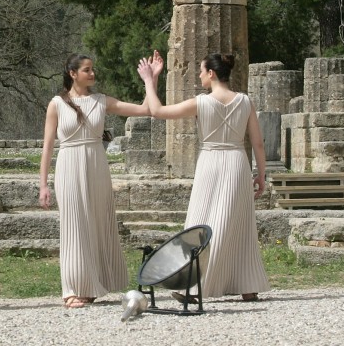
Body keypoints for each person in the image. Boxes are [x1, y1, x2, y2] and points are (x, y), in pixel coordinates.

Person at [137, 50, 270, 302]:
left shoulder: (201, 102)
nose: (199, 75)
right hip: (237, 162)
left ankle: (194, 285)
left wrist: (149, 80)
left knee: (200, 222)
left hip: (210, 162)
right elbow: (258, 143)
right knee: (239, 223)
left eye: (201, 71)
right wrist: (261, 174)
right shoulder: (245, 101)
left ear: (211, 73)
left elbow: (156, 110)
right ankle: (247, 285)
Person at [38, 53, 148, 309]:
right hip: (68, 166)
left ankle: (90, 285)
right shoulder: (56, 104)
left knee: (96, 224)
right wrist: (43, 184)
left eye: (93, 69)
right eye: (87, 70)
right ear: (72, 73)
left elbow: (145, 109)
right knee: (74, 226)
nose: (93, 73)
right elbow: (47, 147)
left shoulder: (101, 101)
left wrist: (149, 80)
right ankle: (72, 289)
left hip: (97, 166)